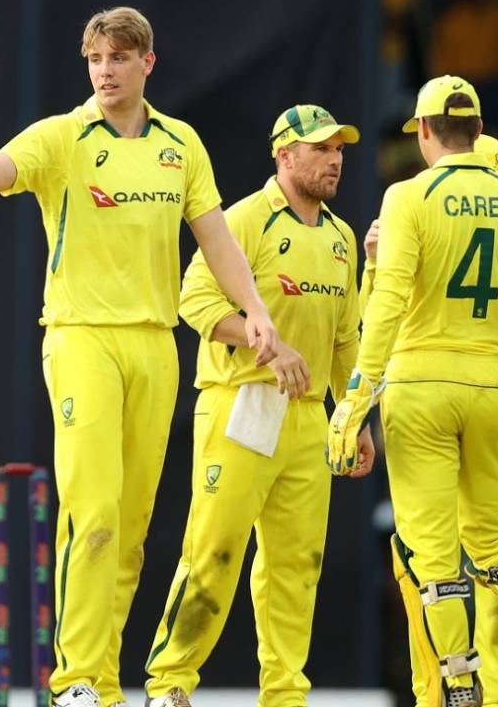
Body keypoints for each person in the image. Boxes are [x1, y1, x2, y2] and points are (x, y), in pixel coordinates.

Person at [0, 7, 278, 707]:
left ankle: (104, 683)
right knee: (90, 512)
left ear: (147, 63)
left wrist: (257, 310)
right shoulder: (63, 136)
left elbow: (215, 240)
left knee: (128, 529)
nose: (105, 71)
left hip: (155, 345)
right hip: (81, 336)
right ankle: (75, 683)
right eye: (95, 59)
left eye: (118, 58)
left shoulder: (180, 145)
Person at [328, 75, 498, 707]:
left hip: (421, 387)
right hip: (493, 394)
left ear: (424, 132)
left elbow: (388, 303)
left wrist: (357, 396)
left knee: (432, 554)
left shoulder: (407, 197)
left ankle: (457, 683)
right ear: (479, 133)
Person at [142, 105, 372, 707]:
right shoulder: (245, 219)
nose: (335, 159)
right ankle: (169, 686)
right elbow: (190, 298)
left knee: (297, 567)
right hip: (241, 403)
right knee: (214, 551)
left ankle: (285, 696)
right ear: (284, 155)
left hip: (310, 416)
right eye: (320, 149)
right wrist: (262, 341)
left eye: (339, 149)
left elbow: (348, 337)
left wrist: (354, 416)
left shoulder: (343, 238)